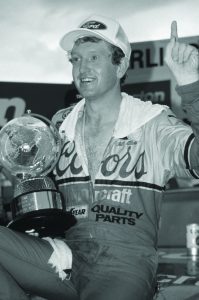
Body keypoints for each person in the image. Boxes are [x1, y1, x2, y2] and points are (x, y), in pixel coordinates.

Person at [0, 14, 199, 300]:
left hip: (124, 263)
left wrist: (191, 86)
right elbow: (38, 192)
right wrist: (19, 168)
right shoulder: (59, 124)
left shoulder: (154, 123)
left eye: (94, 57)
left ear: (121, 66)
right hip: (63, 256)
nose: (83, 68)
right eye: (76, 59)